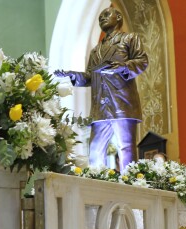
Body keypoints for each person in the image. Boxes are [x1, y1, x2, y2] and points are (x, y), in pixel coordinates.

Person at [55, 7, 148, 171]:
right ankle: (98, 180)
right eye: (100, 17)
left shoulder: (129, 39)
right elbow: (90, 76)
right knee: (96, 149)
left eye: (106, 15)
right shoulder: (95, 51)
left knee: (125, 147)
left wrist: (122, 67)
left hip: (122, 102)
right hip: (100, 106)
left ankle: (130, 182)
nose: (102, 19)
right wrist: (72, 75)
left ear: (118, 17)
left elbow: (142, 61)